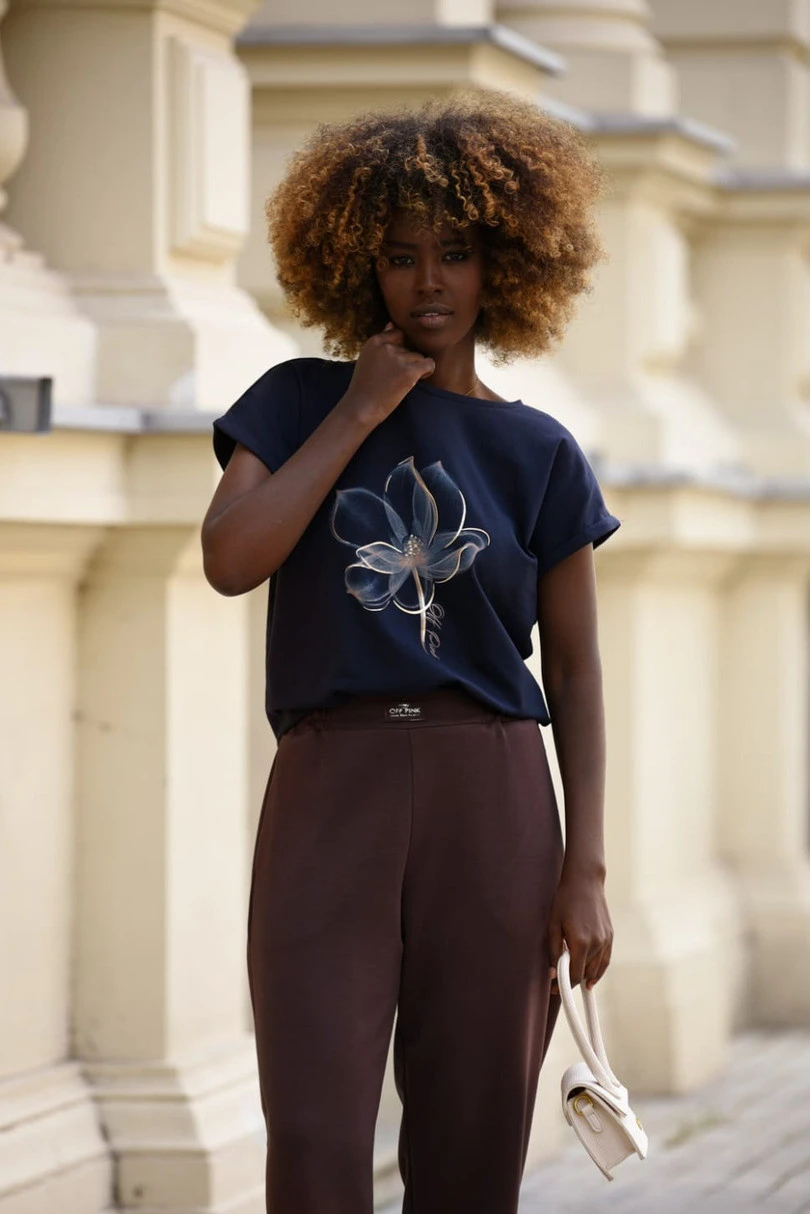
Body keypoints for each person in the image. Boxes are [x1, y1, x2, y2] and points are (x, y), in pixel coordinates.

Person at [201, 89, 621, 1214]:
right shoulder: (295, 402)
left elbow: (575, 671)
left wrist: (584, 866)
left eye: (456, 253)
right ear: (359, 266)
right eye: (399, 256)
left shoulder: (539, 451)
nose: (429, 281)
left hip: (494, 795)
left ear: (504, 266)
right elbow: (231, 558)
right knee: (314, 1133)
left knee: (473, 1141)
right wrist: (359, 412)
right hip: (329, 786)